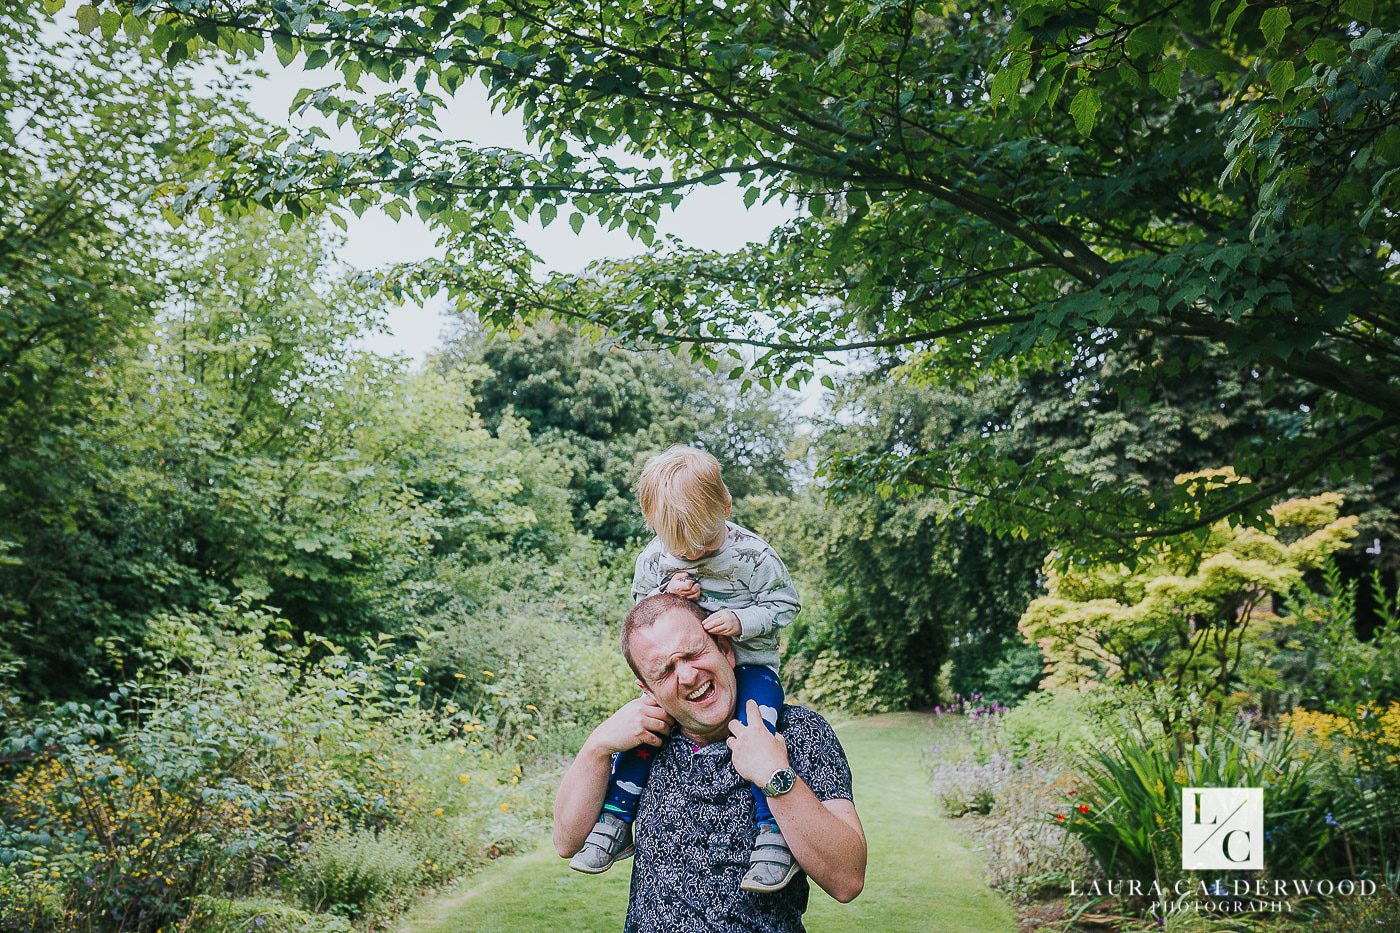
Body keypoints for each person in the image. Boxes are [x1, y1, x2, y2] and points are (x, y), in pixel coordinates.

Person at [554, 595, 865, 932]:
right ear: (648, 690)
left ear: (725, 649)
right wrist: (597, 746)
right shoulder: (640, 746)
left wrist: (775, 776)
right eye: (665, 671)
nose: (687, 675)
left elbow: (847, 879)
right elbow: (567, 841)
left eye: (692, 653)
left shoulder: (799, 733)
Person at [569, 445, 804, 892]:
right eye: (680, 545)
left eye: (702, 541)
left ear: (726, 507)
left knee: (757, 731)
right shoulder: (655, 559)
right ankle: (616, 819)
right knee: (647, 727)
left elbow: (786, 604)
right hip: (682, 672)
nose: (692, 553)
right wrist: (666, 593)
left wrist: (741, 621)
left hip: (750, 667)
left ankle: (773, 833)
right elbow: (643, 616)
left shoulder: (754, 555)